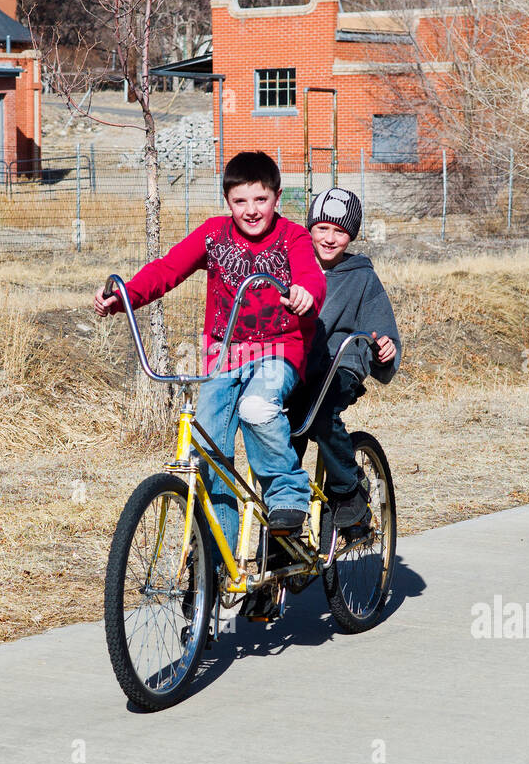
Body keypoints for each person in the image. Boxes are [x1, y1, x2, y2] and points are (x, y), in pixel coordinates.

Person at [94, 151, 326, 560]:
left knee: (257, 407)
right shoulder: (212, 236)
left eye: (260, 200)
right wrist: (123, 297)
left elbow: (310, 275)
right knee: (210, 456)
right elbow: (166, 270)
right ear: (226, 201)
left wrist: (307, 293)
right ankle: (217, 565)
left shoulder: (294, 237)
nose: (251, 210)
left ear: (277, 197)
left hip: (280, 351)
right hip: (224, 358)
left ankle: (289, 495)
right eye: (240, 201)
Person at [289, 187, 401, 529]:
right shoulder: (292, 265)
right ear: (310, 227)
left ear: (350, 236)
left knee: (321, 413)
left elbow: (382, 330)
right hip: (295, 365)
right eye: (322, 227)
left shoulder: (362, 277)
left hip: (341, 365)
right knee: (281, 433)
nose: (329, 237)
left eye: (340, 231)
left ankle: (348, 489)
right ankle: (282, 539)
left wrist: (385, 349)